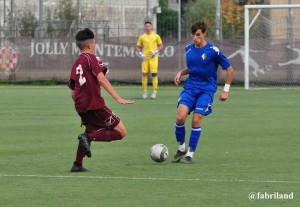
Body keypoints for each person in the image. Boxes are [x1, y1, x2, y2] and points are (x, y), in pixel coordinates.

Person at [68, 28, 134, 172]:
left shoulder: (76, 63)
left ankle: (77, 164)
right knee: (121, 132)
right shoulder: (92, 58)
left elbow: (73, 93)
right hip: (95, 105)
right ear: (90, 45)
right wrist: (118, 97)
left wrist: (81, 111)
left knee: (89, 129)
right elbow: (101, 78)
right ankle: (89, 139)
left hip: (81, 106)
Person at [172, 20, 234, 164]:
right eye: (193, 35)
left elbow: (230, 70)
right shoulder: (188, 49)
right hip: (190, 88)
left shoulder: (213, 51)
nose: (195, 38)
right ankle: (181, 148)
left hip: (206, 90)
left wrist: (226, 91)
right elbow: (193, 68)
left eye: (198, 35)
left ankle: (190, 153)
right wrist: (181, 73)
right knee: (180, 117)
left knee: (196, 119)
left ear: (204, 34)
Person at [136, 21, 163, 99]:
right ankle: (145, 91)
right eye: (146, 26)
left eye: (149, 26)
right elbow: (137, 46)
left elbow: (161, 45)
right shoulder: (142, 37)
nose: (148, 27)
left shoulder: (156, 36)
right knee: (144, 74)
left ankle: (154, 92)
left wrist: (155, 51)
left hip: (153, 57)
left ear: (151, 27)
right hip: (145, 57)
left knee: (154, 74)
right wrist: (140, 54)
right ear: (145, 27)